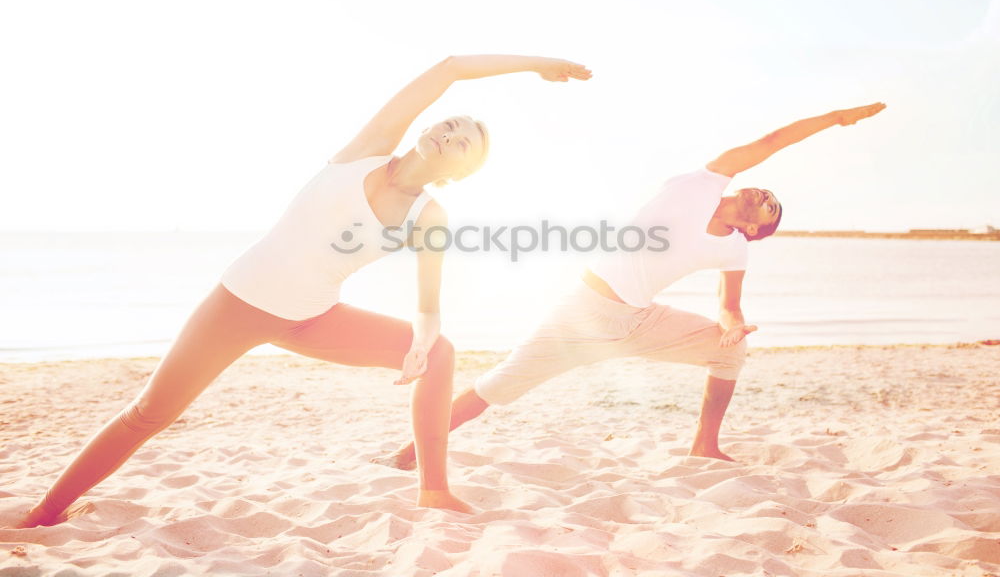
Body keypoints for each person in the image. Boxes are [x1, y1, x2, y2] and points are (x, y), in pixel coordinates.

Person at [16, 54, 593, 527]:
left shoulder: (429, 214)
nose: (450, 132)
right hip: (238, 302)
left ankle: (433, 490)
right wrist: (535, 65)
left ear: (461, 172)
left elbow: (428, 303)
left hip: (310, 319)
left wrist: (422, 341)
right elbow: (447, 69)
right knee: (148, 413)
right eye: (449, 124)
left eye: (464, 141)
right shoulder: (365, 151)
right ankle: (45, 511)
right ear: (425, 128)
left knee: (440, 353)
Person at [377, 102, 886, 469]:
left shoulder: (736, 249)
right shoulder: (704, 181)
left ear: (755, 230)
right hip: (583, 310)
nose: (764, 194)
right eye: (767, 192)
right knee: (498, 386)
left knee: (730, 354)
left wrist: (733, 327)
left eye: (770, 207)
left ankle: (704, 445)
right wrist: (836, 119)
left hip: (639, 320)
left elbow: (730, 306)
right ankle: (412, 452)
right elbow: (773, 142)